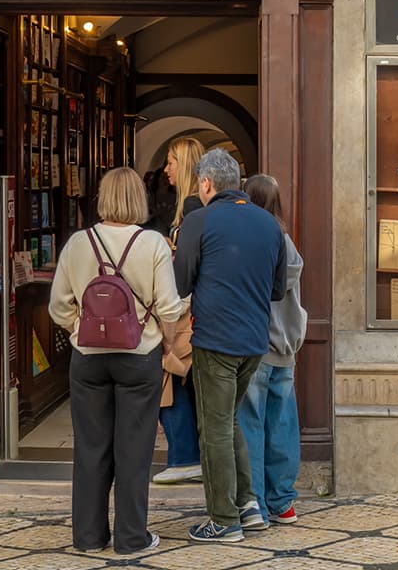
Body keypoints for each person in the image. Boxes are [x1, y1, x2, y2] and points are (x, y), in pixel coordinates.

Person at [48, 167, 183, 555]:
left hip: (88, 358)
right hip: (139, 357)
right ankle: (131, 537)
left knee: (90, 448)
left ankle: (88, 537)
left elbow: (58, 305)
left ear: (102, 199)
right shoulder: (153, 243)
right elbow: (170, 307)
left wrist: (81, 330)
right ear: (138, 199)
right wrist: (165, 342)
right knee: (134, 449)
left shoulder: (78, 243)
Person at [174, 148, 287, 543]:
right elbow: (277, 289)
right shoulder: (269, 224)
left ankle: (223, 519)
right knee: (230, 420)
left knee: (215, 428)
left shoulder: (198, 220)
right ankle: (249, 505)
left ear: (205, 183)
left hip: (216, 339)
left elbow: (181, 282)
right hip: (255, 341)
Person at [238, 174, 307, 525]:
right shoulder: (287, 242)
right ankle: (283, 502)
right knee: (282, 426)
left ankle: (255, 505)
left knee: (250, 425)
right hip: (286, 348)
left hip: (256, 346)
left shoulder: (254, 241)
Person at [152, 136, 205, 485]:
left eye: (171, 161)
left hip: (186, 315)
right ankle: (187, 456)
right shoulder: (189, 210)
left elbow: (190, 271)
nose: (166, 169)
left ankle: (184, 457)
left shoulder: (192, 212)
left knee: (170, 379)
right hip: (190, 313)